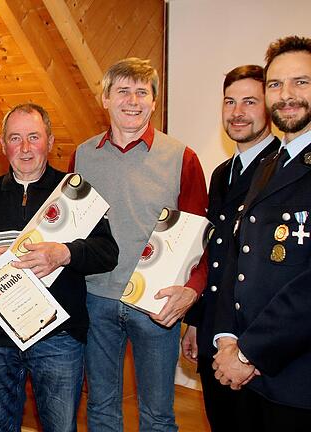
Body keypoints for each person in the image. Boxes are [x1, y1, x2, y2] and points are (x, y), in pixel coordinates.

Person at [70, 57, 208, 431]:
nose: (132, 101)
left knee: (158, 414)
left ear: (154, 101)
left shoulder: (182, 157)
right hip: (96, 299)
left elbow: (200, 239)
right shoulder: (83, 155)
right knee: (100, 407)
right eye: (123, 91)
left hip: (155, 304)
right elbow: (72, 227)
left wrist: (191, 297)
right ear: (105, 99)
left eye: (142, 92)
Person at [0, 103, 118, 432]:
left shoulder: (75, 193)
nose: (25, 147)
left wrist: (64, 253)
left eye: (34, 137)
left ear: (50, 141)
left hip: (58, 338)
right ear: (4, 145)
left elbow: (107, 253)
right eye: (15, 138)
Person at [212, 35, 311, 431]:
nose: (286, 95)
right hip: (254, 375)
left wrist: (248, 352)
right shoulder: (271, 165)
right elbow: (240, 256)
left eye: (301, 82)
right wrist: (225, 338)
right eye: (275, 85)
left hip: (298, 378)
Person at [180, 65, 279, 431]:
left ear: (269, 105)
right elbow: (216, 253)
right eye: (230, 102)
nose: (237, 112)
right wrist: (196, 320)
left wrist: (247, 346)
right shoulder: (223, 172)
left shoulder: (281, 172)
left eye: (249, 102)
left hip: (252, 344)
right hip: (213, 331)